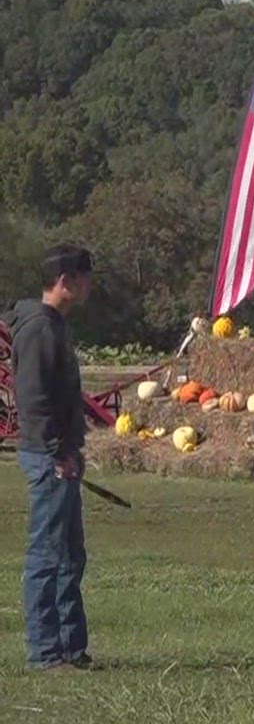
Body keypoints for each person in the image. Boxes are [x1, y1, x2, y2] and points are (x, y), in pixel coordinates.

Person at [11, 245, 95, 672]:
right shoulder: (40, 329)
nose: (89, 285)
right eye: (84, 276)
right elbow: (35, 401)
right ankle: (45, 652)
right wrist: (58, 452)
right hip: (49, 458)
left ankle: (70, 647)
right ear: (66, 280)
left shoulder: (57, 325)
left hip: (62, 455)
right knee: (46, 554)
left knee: (70, 554)